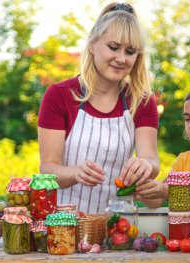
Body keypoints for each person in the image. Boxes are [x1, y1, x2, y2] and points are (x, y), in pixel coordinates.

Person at [37, 2, 159, 214]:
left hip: (119, 229)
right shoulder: (59, 95)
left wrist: (146, 165)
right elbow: (47, 171)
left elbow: (151, 159)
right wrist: (75, 173)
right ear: (92, 44)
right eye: (113, 47)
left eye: (130, 52)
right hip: (64, 228)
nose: (121, 59)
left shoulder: (143, 102)